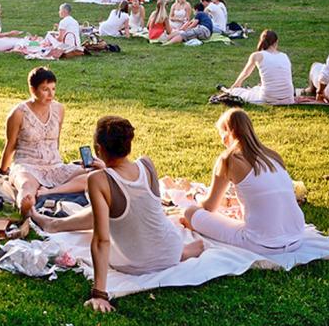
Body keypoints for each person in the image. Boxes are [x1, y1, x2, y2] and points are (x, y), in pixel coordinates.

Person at [28, 116, 204, 313]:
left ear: (98, 148)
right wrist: (106, 171)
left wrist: (99, 293)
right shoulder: (146, 164)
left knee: (105, 212)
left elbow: (102, 239)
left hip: (133, 264)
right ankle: (55, 224)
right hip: (170, 252)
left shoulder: (97, 179)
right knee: (114, 210)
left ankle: (53, 224)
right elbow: (133, 197)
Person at [182, 108, 305, 254]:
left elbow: (210, 207)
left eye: (221, 134)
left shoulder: (229, 159)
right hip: (297, 238)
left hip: (261, 243)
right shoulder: (273, 156)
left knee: (189, 211)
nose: (222, 140)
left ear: (229, 132)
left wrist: (196, 195)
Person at [0, 67, 89, 213]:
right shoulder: (18, 113)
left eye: (53, 88)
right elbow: (11, 144)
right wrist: (2, 170)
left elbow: (56, 140)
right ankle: (27, 210)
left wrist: (58, 163)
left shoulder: (59, 109)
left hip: (55, 166)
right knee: (27, 187)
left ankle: (48, 192)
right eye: (45, 89)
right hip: (28, 166)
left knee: (93, 176)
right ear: (32, 89)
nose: (50, 94)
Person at [222, 30, 295, 105]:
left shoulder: (257, 55)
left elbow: (245, 73)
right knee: (257, 88)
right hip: (288, 98)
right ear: (276, 42)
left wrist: (236, 85)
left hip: (268, 98)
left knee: (239, 92)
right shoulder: (284, 56)